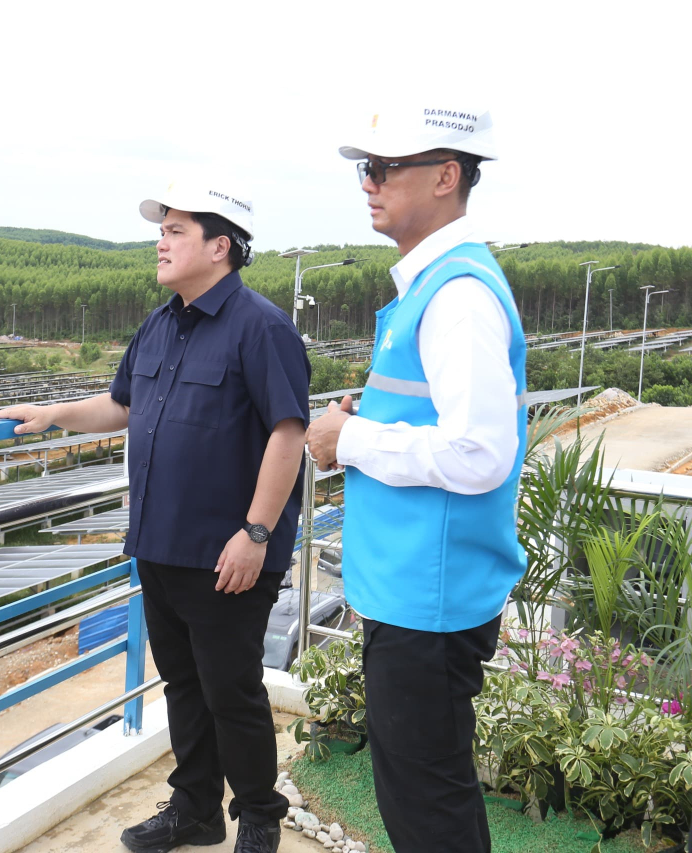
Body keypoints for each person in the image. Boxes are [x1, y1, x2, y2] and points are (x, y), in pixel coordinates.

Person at [0, 181, 309, 853]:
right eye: (160, 231)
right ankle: (195, 808)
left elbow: (288, 432)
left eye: (175, 231)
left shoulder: (261, 327)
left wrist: (255, 533)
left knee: (233, 689)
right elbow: (123, 405)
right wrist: (53, 415)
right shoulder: (161, 323)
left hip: (229, 552)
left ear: (220, 246)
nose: (161, 242)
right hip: (161, 543)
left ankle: (258, 814)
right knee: (185, 684)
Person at [306, 107, 527, 853]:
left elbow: (479, 452)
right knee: (424, 798)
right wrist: (369, 418)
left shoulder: (457, 296)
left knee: (427, 810)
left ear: (446, 175)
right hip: (413, 592)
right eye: (363, 169)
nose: (367, 184)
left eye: (383, 168)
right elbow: (437, 416)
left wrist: (350, 437)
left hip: (427, 604)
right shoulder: (432, 287)